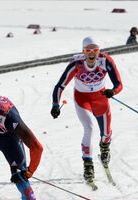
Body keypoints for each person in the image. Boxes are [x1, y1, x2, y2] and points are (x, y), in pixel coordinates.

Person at [50, 36, 123, 186]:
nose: (91, 53)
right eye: (88, 50)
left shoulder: (105, 61)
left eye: (95, 50)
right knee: (89, 127)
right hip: (82, 99)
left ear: (99, 51)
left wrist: (113, 91)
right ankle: (88, 166)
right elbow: (60, 85)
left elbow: (119, 84)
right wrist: (55, 104)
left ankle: (104, 148)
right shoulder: (76, 64)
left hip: (101, 98)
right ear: (83, 51)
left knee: (106, 134)